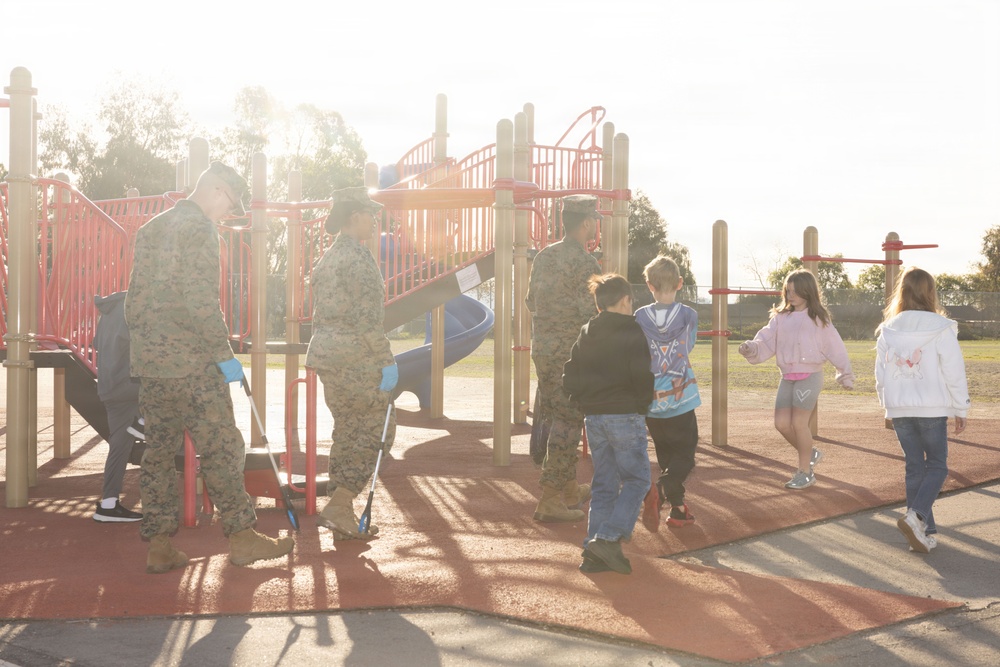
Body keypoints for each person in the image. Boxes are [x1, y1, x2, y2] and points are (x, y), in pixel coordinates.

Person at [126, 161, 294, 574]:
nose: (227, 214)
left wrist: (148, 350)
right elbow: (200, 299)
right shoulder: (201, 229)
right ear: (217, 191)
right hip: (192, 362)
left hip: (152, 364)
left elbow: (133, 301)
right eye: (230, 204)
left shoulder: (152, 229)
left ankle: (160, 545)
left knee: (159, 454)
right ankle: (241, 537)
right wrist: (223, 354)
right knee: (221, 447)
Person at [306, 186, 398, 541]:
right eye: (370, 215)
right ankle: (341, 503)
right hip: (355, 357)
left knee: (347, 429)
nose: (375, 221)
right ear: (354, 217)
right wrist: (386, 360)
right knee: (379, 427)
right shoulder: (359, 260)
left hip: (328, 356)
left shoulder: (327, 258)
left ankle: (339, 509)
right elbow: (366, 320)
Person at [563, 274, 653, 574]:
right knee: (638, 479)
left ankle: (593, 550)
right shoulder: (632, 330)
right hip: (625, 414)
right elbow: (641, 373)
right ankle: (608, 536)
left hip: (595, 416)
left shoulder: (587, 331)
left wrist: (581, 399)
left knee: (604, 483)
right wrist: (642, 405)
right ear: (626, 301)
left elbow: (570, 372)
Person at [875, 267, 970, 553]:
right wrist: (960, 407)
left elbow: (880, 373)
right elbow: (954, 370)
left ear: (902, 293)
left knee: (915, 466)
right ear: (931, 293)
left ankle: (923, 531)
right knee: (938, 465)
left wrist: (887, 408)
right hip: (931, 408)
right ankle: (916, 516)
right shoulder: (940, 328)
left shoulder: (889, 329)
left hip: (901, 408)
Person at [738, 269, 854, 489]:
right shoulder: (780, 318)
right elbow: (764, 340)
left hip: (810, 376)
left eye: (795, 291)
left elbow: (835, 347)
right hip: (787, 377)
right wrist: (750, 348)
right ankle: (810, 452)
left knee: (799, 423)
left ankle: (805, 472)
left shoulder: (818, 319)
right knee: (781, 424)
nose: (790, 295)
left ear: (807, 292)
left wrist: (845, 374)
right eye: (787, 291)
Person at [525, 194, 602, 522]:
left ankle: (569, 488)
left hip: (543, 351)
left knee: (558, 416)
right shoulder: (587, 264)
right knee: (568, 422)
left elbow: (531, 302)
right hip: (571, 356)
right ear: (586, 223)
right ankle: (550, 497)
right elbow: (593, 314)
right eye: (594, 219)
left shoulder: (544, 256)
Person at [635, 256, 701, 528]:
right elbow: (689, 347)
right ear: (680, 283)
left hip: (652, 400)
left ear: (649, 285)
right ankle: (661, 490)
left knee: (665, 455)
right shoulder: (688, 315)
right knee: (684, 456)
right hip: (680, 397)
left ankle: (678, 508)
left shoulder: (639, 316)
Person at [92, 291, 143, 523]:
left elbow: (96, 344)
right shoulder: (131, 310)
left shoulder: (108, 314)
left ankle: (108, 504)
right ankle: (144, 423)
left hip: (108, 388)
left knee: (119, 446)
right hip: (128, 387)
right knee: (175, 388)